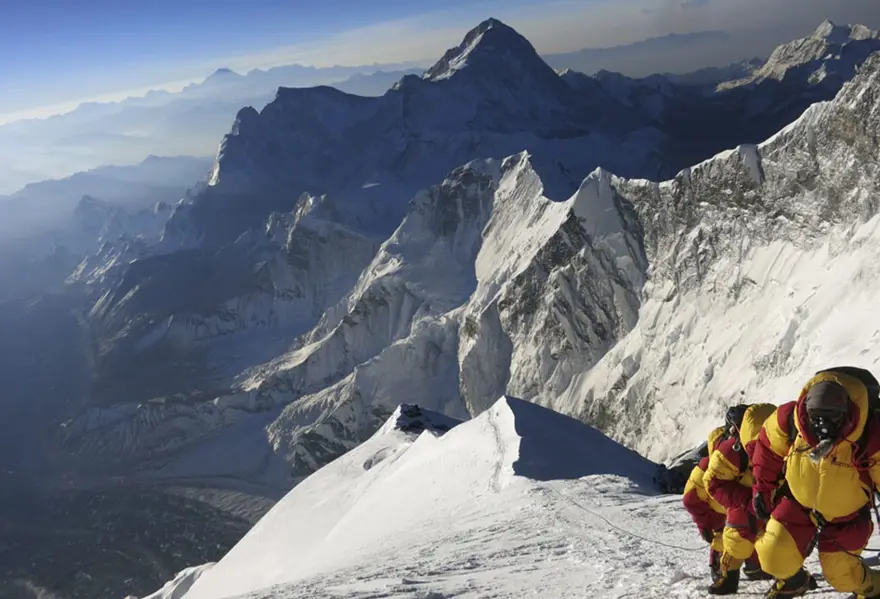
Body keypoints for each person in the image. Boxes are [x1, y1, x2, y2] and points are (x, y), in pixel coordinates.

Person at [751, 369, 880, 598]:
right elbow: (767, 448)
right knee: (772, 554)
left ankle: (872, 588)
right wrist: (763, 487)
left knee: (842, 576)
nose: (822, 426)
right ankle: (794, 581)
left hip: (847, 517)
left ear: (848, 411)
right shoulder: (790, 420)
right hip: (799, 504)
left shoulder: (869, 435)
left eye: (831, 418)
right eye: (816, 417)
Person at [703, 402, 778, 594]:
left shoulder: (782, 442)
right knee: (737, 536)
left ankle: (792, 574)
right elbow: (712, 482)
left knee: (782, 535)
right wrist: (748, 500)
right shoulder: (732, 451)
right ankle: (728, 576)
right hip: (744, 500)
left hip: (771, 496)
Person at [682, 417, 731, 583]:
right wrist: (706, 522)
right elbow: (690, 499)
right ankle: (721, 566)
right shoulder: (706, 469)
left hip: (729, 508)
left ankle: (754, 566)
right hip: (721, 512)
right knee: (724, 536)